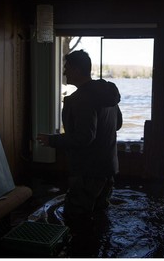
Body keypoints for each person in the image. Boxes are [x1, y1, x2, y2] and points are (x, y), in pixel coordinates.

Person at [37, 50, 122, 225]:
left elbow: (84, 138)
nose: (64, 72)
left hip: (87, 173)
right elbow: (118, 124)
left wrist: (51, 140)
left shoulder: (80, 99)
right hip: (108, 168)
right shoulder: (106, 94)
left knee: (76, 220)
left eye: (67, 68)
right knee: (99, 218)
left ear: (76, 70)